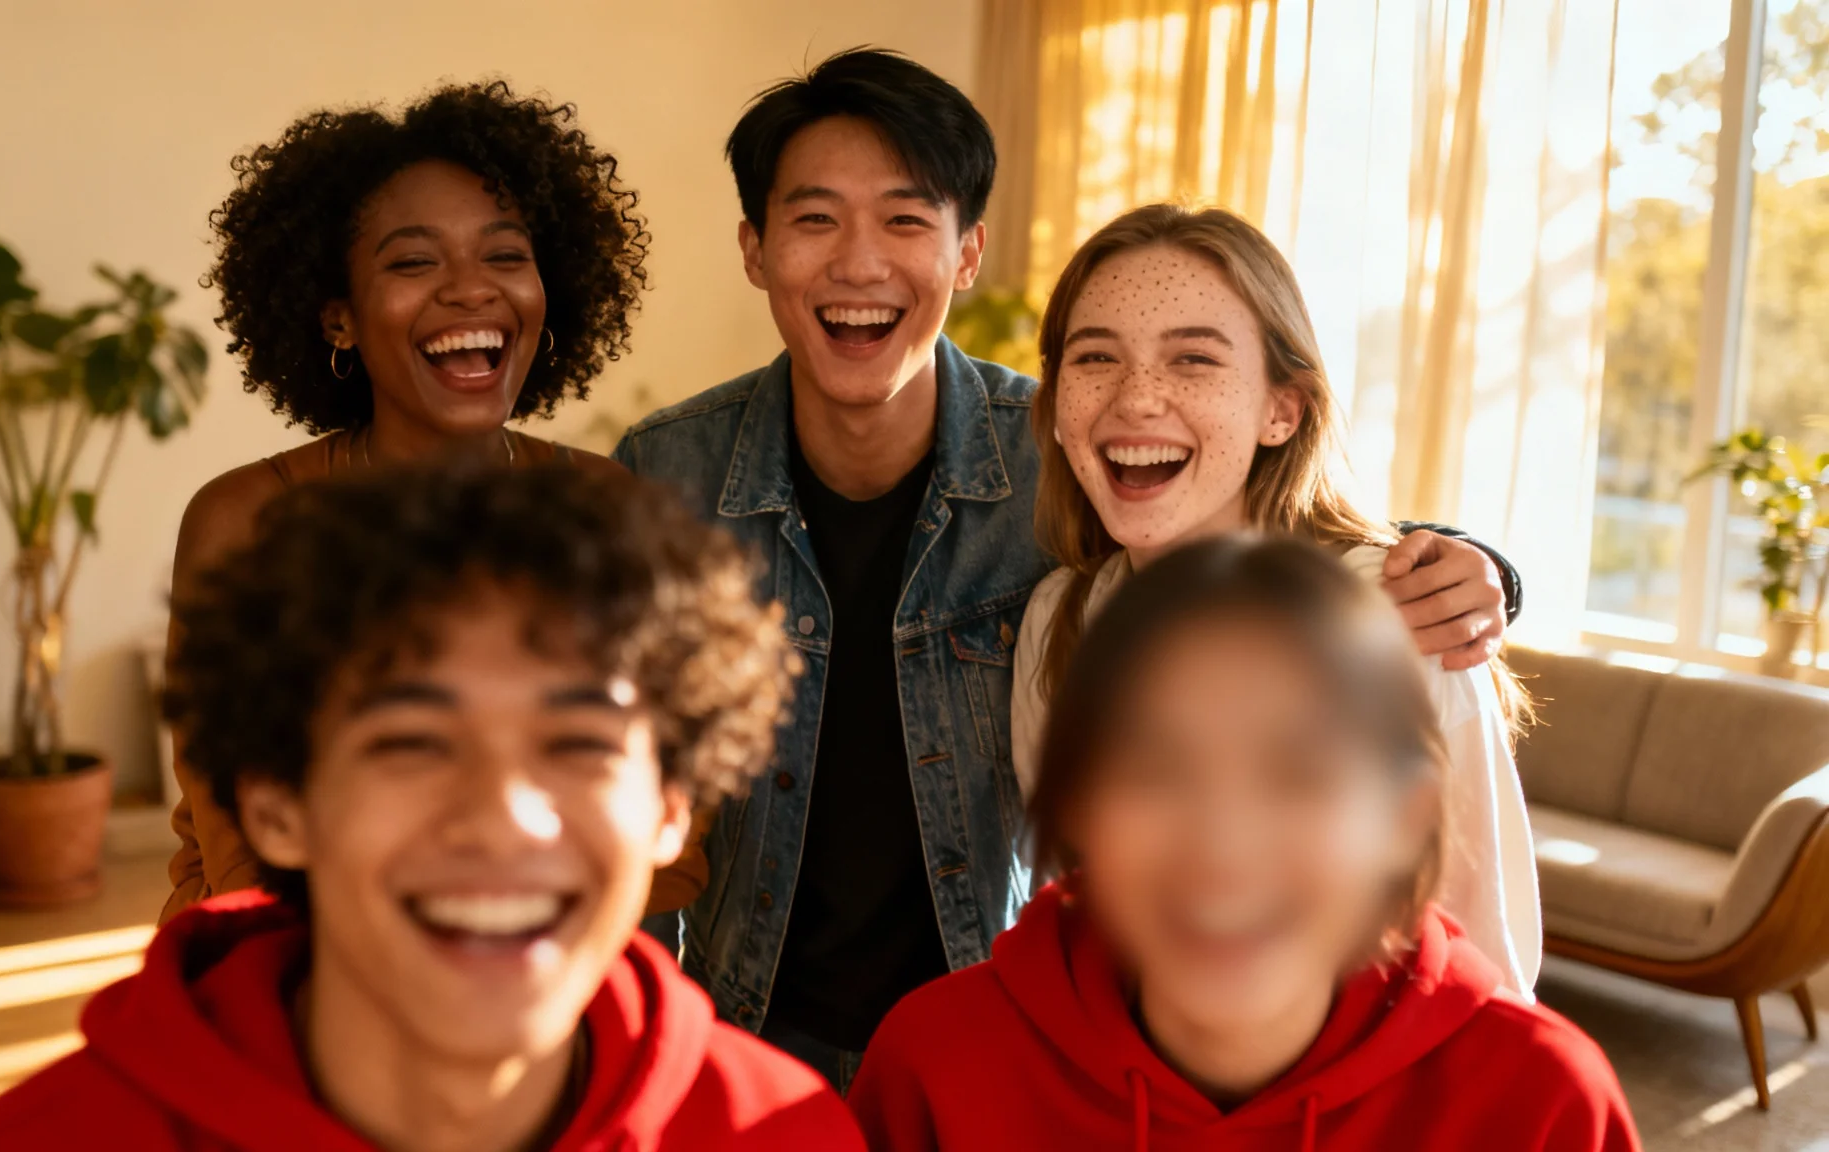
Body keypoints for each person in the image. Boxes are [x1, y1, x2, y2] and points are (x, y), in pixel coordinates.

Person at [613, 47, 1522, 1088]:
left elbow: (1245, 516)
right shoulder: (670, 470)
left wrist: (1470, 565)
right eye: (814, 218)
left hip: (993, 1036)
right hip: (757, 1026)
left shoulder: (1046, 446)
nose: (858, 262)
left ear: (966, 254)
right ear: (754, 249)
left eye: (906, 219)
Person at [0, 465, 865, 1152]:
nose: (506, 820)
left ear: (673, 806)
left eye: (578, 744)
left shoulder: (786, 1133)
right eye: (411, 745)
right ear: (275, 803)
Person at [850, 536, 1637, 1151]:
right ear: (1074, 808)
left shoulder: (1542, 1103)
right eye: (1158, 768)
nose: (1223, 843)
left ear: (1406, 820)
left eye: (1299, 774)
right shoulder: (934, 1069)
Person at [1009, 203, 1539, 994]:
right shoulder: (1059, 619)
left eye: (1193, 360)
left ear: (1281, 410)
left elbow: (1485, 957)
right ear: (1055, 407)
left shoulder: (1402, 614)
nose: (1138, 399)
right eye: (1095, 358)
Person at [161, 81, 655, 924]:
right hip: (288, 959)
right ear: (339, 319)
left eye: (504, 256)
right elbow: (237, 838)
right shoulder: (245, 523)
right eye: (413, 261)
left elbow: (634, 798)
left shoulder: (601, 506)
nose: (471, 290)